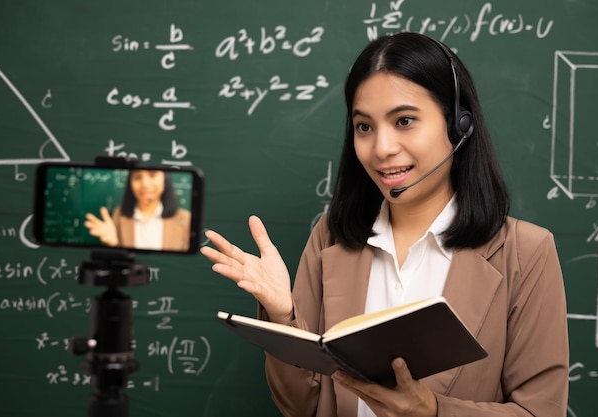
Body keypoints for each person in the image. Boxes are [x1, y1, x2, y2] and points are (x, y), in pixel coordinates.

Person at [201, 32, 569, 417]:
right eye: (364, 127)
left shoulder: (526, 253)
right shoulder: (331, 237)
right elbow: (304, 407)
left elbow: (540, 411)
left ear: (458, 126)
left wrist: (433, 412)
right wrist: (282, 317)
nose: (381, 149)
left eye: (404, 121)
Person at [84, 169, 191, 251]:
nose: (145, 184)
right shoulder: (119, 215)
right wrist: (113, 244)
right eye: (137, 177)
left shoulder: (185, 219)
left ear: (165, 179)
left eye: (152, 175)